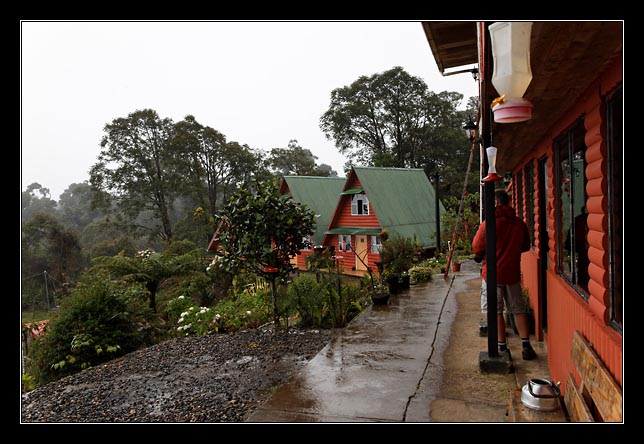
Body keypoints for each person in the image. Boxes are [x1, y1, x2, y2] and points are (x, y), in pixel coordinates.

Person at [472, 189, 536, 360]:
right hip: (512, 273)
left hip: (492, 275)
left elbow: (477, 247)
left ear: (496, 203)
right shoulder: (518, 223)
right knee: (518, 309)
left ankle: (501, 346)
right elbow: (525, 246)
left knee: (496, 311)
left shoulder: (489, 224)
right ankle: (526, 345)